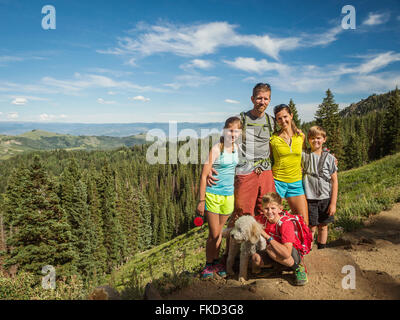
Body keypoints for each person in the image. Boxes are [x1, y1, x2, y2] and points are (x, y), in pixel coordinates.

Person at [208, 83, 277, 227]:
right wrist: (210, 165)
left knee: (266, 209)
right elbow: (226, 139)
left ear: (269, 100)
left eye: (265, 98)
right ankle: (234, 248)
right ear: (252, 99)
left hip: (266, 171)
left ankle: (261, 246)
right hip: (245, 171)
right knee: (242, 212)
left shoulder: (271, 121)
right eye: (259, 98)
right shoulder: (242, 119)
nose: (262, 102)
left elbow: (284, 137)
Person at [196, 117, 242, 279]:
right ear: (224, 130)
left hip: (228, 197)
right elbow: (203, 176)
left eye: (236, 130)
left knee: (219, 233)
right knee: (214, 234)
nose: (233, 133)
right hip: (213, 195)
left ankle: (215, 262)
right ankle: (209, 264)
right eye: (230, 130)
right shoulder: (217, 149)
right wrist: (201, 200)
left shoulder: (238, 149)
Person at [253, 192, 308, 286]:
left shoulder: (285, 223)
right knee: (256, 258)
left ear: (280, 209)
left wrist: (267, 236)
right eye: (266, 208)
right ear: (262, 209)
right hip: (273, 252)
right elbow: (249, 220)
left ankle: (298, 268)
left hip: (290, 254)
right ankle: (276, 268)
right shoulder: (262, 219)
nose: (269, 212)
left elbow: (286, 253)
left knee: (271, 249)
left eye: (273, 208)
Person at [270, 104, 309, 225]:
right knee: (273, 221)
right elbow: (267, 159)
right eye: (279, 118)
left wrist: (329, 157)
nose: (283, 121)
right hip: (277, 182)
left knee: (303, 221)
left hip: (296, 182)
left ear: (291, 116)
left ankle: (300, 244)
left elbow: (307, 154)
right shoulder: (273, 139)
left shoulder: (301, 136)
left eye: (285, 116)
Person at [302, 126, 338, 249]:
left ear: (324, 139)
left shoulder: (330, 158)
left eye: (318, 138)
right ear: (308, 139)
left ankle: (322, 249)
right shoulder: (304, 155)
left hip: (325, 197)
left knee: (323, 226)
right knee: (311, 227)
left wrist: (333, 203)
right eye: (312, 138)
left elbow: (334, 181)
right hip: (310, 198)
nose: (315, 141)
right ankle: (309, 251)